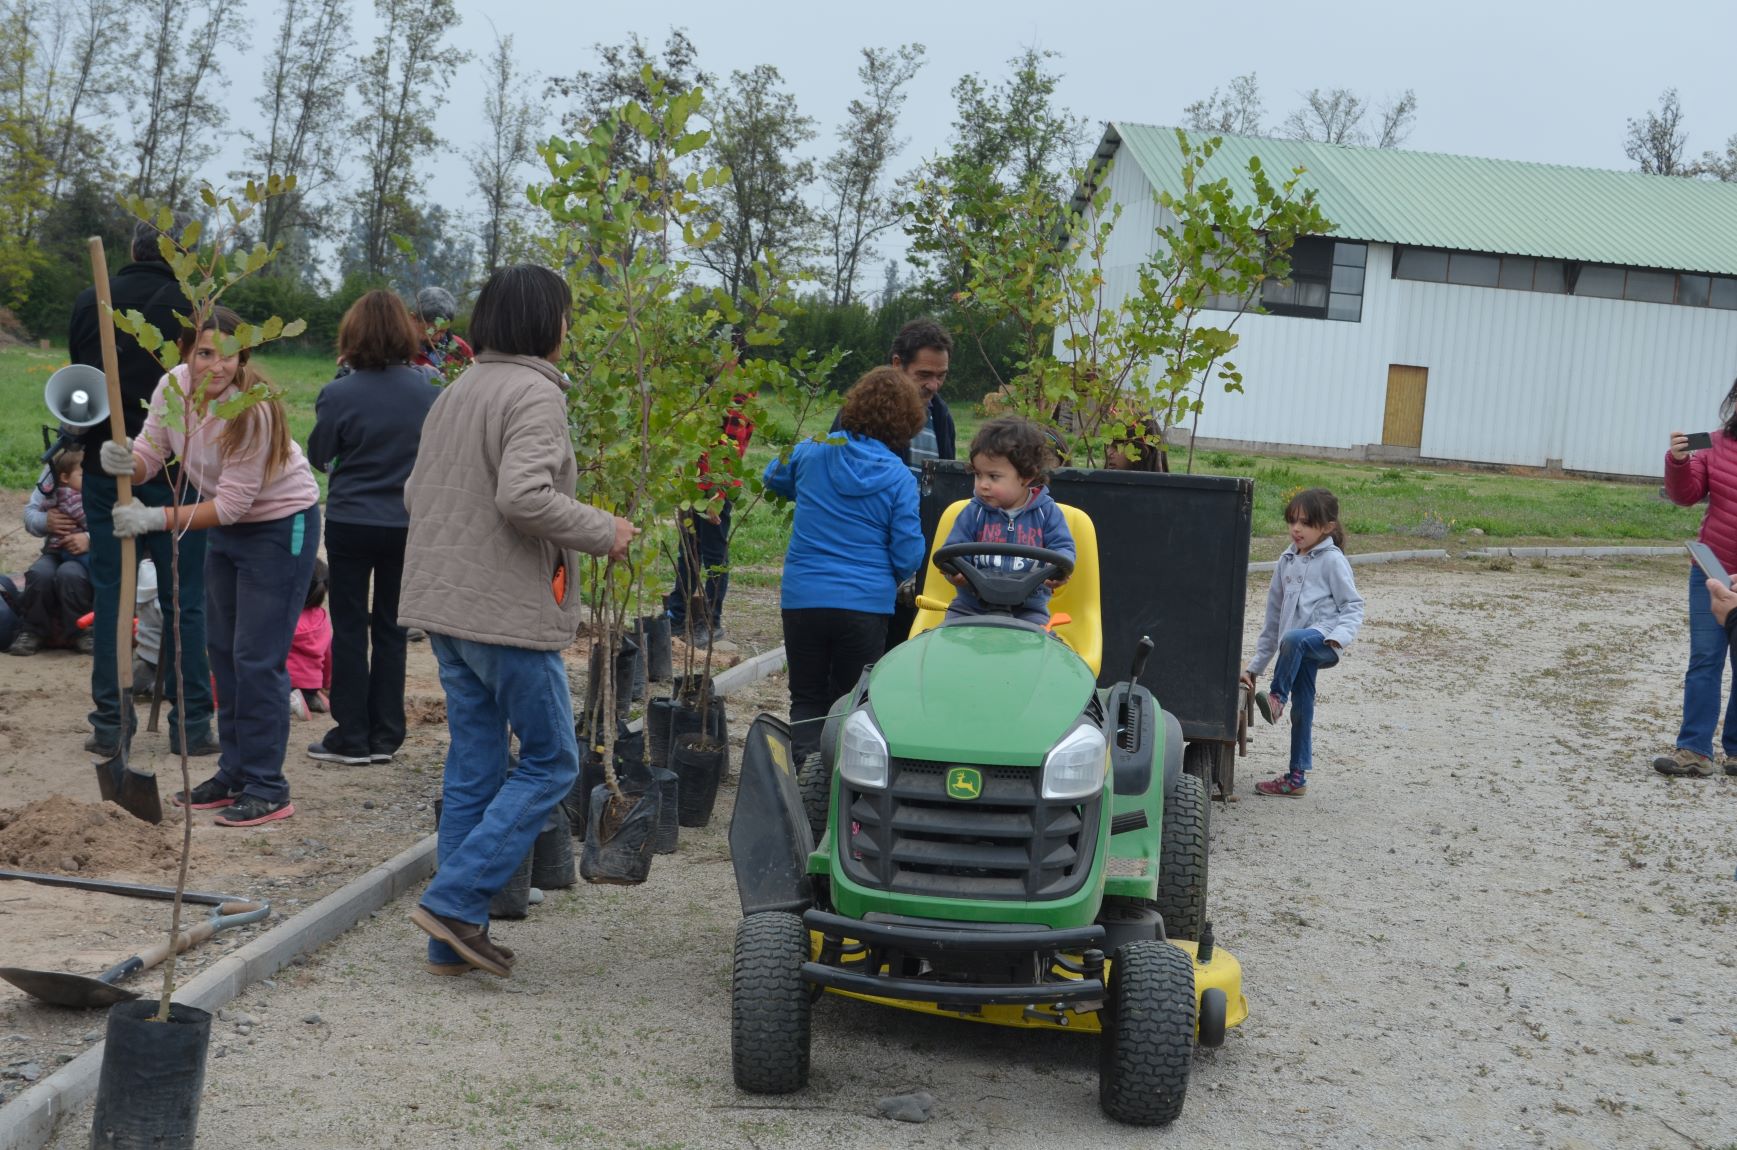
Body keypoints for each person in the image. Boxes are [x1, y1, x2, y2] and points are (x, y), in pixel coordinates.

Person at [399, 264, 636, 978]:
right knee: (551, 761)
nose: (569, 329)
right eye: (565, 316)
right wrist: (605, 529)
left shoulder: (458, 390)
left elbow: (417, 491)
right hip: (502, 613)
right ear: (545, 323)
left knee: (475, 764)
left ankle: (451, 937)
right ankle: (453, 899)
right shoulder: (535, 393)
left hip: (445, 606)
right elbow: (523, 498)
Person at [99, 306, 323, 827]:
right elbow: (151, 452)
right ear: (185, 352)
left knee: (257, 657)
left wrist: (152, 517)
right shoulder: (173, 387)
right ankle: (234, 772)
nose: (215, 366)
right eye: (204, 352)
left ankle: (268, 786)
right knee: (223, 651)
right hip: (226, 529)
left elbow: (232, 506)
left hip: (278, 528)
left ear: (243, 355)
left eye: (228, 354)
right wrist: (125, 463)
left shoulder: (253, 410)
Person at [68, 217, 215, 759]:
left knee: (113, 593)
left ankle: (111, 721)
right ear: (183, 256)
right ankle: (193, 723)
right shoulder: (197, 304)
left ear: (134, 248)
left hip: (111, 463)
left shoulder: (91, 300)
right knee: (187, 600)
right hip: (183, 465)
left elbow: (82, 392)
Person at [304, 291, 441, 765]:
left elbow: (319, 456)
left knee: (348, 627)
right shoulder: (429, 389)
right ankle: (387, 733)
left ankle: (351, 734)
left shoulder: (339, 393)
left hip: (350, 520)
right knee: (390, 628)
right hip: (406, 521)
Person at [765, 366, 927, 763]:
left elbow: (772, 477)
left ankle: (804, 781)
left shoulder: (813, 451)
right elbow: (908, 555)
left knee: (806, 696)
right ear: (906, 423)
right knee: (851, 703)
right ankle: (837, 786)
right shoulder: (898, 478)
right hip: (864, 605)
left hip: (803, 597)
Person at [1240, 488, 1365, 798]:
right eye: (1293, 521)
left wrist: (1339, 637)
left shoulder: (1333, 561)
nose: (1296, 529)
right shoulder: (1286, 561)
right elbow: (1272, 624)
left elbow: (1353, 605)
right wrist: (1254, 668)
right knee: (1304, 707)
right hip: (1295, 651)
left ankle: (1276, 699)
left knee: (1295, 638)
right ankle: (1296, 777)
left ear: (1327, 527)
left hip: (1323, 641)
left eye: (1306, 523)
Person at [1656, 406, 1737, 778]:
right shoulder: (1715, 445)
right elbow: (1685, 495)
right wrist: (1678, 461)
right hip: (1711, 571)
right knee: (1705, 660)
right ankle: (1694, 750)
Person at [941, 417, 1074, 626]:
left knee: (1041, 649)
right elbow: (953, 550)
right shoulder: (973, 512)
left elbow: (1063, 548)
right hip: (970, 608)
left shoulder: (1047, 513)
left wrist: (1058, 571)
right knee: (946, 644)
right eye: (978, 474)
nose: (982, 485)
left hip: (1027, 610)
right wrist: (955, 573)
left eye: (993, 477)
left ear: (1026, 476)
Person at [666, 377, 753, 648]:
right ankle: (678, 614)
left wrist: (717, 497)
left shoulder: (739, 399)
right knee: (688, 551)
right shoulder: (708, 389)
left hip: (716, 489)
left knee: (714, 556)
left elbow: (731, 452)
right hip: (694, 485)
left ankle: (711, 621)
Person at [15, 446, 94, 654]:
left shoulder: (107, 462)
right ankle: (32, 631)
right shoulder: (63, 461)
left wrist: (88, 538)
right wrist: (45, 521)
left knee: (70, 574)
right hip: (55, 550)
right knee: (39, 574)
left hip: (85, 553)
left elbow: (115, 519)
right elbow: (31, 513)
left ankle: (82, 632)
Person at [289, 558, 333, 721]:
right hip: (313, 682)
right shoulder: (323, 619)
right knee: (308, 691)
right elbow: (328, 656)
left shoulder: (286, 618)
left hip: (287, 682)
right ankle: (313, 698)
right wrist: (327, 682)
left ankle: (292, 699)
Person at [411, 285, 474, 376]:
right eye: (432, 330)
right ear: (413, 319)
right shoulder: (399, 349)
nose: (437, 338)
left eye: (443, 331)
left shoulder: (460, 347)